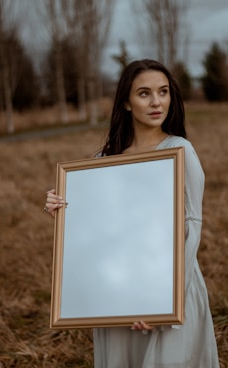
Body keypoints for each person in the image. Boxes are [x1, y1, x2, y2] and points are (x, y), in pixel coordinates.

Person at [44, 59, 220, 368]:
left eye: (163, 92)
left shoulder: (180, 150)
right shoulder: (104, 160)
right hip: (116, 294)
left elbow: (191, 226)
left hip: (169, 290)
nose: (156, 102)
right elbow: (96, 230)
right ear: (126, 101)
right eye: (144, 93)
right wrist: (63, 209)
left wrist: (163, 303)